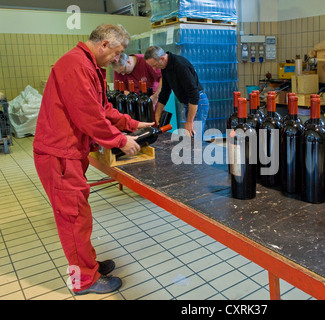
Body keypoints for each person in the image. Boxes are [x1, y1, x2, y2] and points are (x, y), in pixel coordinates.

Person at [33, 24, 154, 295]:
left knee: (80, 215)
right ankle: (83, 280)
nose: (118, 60)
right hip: (59, 155)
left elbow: (103, 108)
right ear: (105, 45)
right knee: (73, 218)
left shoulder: (88, 65)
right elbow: (89, 116)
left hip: (69, 153)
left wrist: (132, 123)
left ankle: (88, 265)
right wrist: (121, 140)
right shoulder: (76, 66)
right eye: (117, 53)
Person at [144, 46, 209, 139]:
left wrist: (189, 122)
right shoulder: (165, 67)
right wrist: (158, 112)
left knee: (194, 138)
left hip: (198, 102)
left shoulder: (180, 65)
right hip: (188, 102)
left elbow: (194, 94)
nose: (154, 69)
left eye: (155, 65)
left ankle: (198, 153)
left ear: (162, 58)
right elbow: (165, 90)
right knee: (190, 137)